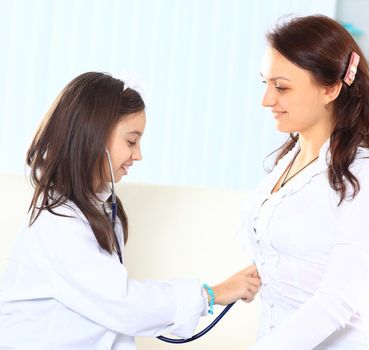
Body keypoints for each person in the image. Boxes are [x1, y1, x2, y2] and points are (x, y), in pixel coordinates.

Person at [0, 72, 261, 349]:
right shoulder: (60, 223)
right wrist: (212, 293)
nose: (138, 155)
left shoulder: (98, 207)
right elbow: (123, 304)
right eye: (131, 141)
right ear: (94, 137)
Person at [237, 15, 369, 350]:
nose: (267, 100)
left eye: (281, 87)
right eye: (265, 84)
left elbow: (336, 302)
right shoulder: (285, 162)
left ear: (330, 88)